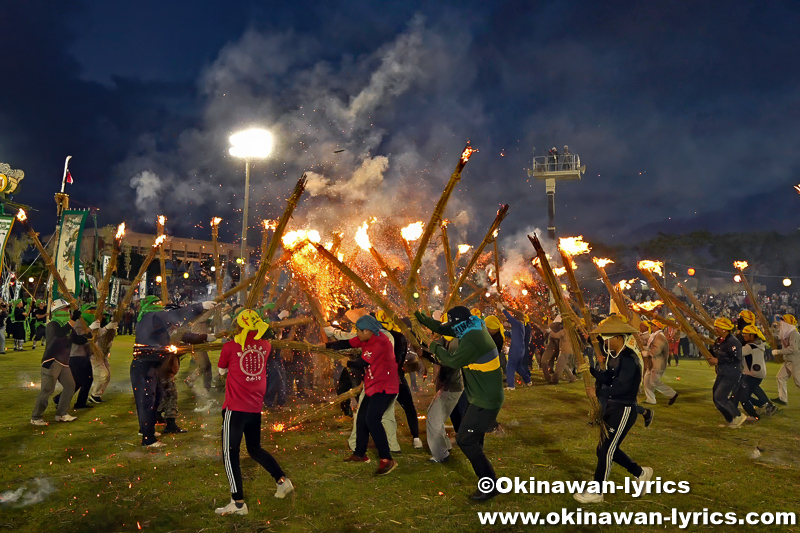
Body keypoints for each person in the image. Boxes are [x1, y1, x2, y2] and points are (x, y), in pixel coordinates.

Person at [416, 306, 504, 501]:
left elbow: (451, 361)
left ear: (461, 324)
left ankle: (490, 484)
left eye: (454, 325)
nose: (452, 330)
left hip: (486, 400)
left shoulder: (473, 339)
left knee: (465, 439)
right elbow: (446, 329)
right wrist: (422, 320)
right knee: (474, 439)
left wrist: (433, 346)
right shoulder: (473, 326)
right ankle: (489, 482)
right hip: (482, 397)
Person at [215, 310, 294, 516]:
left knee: (229, 454)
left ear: (239, 327)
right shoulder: (265, 346)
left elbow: (221, 370)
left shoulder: (230, 347)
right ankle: (282, 481)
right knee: (254, 448)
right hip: (254, 407)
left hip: (235, 408)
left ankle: (238, 503)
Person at [573, 316, 652, 504]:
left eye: (607, 339)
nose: (605, 342)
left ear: (617, 337)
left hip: (624, 409)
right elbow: (608, 377)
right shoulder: (613, 357)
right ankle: (640, 473)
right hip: (613, 406)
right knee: (604, 449)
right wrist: (591, 370)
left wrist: (599, 392)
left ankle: (597, 491)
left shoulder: (630, 359)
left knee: (606, 450)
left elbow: (623, 387)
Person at [131, 296, 216, 447]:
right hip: (145, 365)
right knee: (147, 401)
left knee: (157, 397)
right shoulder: (153, 315)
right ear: (151, 305)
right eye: (157, 303)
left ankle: (146, 428)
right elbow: (175, 315)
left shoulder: (148, 318)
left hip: (151, 364)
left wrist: (206, 337)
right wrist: (200, 305)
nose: (160, 305)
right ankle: (148, 438)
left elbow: (180, 333)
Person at [328, 314, 399, 476]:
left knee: (372, 420)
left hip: (385, 387)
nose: (357, 333)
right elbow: (347, 343)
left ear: (367, 330)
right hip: (373, 386)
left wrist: (348, 363)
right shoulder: (366, 338)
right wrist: (324, 346)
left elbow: (362, 363)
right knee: (362, 418)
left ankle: (387, 459)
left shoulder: (380, 342)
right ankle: (360, 453)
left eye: (359, 331)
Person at [30, 300, 91, 425]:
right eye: (65, 309)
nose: (67, 311)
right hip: (52, 361)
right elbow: (61, 333)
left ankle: (62, 414)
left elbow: (76, 340)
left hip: (64, 362)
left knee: (70, 386)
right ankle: (36, 417)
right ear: (57, 311)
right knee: (47, 390)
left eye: (68, 309)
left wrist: (86, 337)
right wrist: (73, 319)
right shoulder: (52, 325)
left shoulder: (68, 326)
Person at [375, 310, 423, 449]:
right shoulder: (400, 337)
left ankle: (388, 443)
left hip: (384, 379)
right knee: (408, 407)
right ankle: (416, 439)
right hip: (397, 378)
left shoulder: (376, 338)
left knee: (378, 411)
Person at [709, 317, 746, 428]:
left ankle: (738, 415)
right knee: (716, 398)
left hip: (731, 373)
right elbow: (714, 352)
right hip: (722, 372)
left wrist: (718, 360)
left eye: (718, 327)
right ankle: (730, 419)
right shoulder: (719, 340)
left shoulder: (733, 342)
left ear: (725, 329)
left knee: (720, 396)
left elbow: (735, 358)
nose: (715, 329)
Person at [736, 325, 776, 419]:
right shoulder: (759, 343)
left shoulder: (750, 346)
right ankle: (766, 404)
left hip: (751, 374)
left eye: (746, 334)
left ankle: (754, 415)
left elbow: (737, 353)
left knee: (744, 397)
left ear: (752, 335)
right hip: (758, 373)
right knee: (752, 389)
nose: (743, 335)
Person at [641, 321, 678, 405]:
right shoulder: (655, 335)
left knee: (654, 382)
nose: (651, 327)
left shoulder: (660, 337)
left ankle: (672, 394)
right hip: (652, 363)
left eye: (653, 325)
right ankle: (650, 399)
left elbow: (656, 350)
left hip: (658, 364)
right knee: (646, 381)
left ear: (658, 327)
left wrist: (647, 353)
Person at [499, 305, 532, 389]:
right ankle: (528, 380)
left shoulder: (517, 324)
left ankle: (510, 385)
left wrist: (502, 309)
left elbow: (509, 317)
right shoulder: (520, 326)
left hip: (515, 348)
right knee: (518, 367)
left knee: (510, 365)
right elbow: (512, 334)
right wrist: (504, 332)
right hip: (521, 349)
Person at [772, 314, 800, 406]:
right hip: (788, 360)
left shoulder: (794, 333)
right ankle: (782, 399)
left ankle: (782, 398)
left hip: (795, 360)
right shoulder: (787, 332)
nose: (781, 322)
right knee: (780, 377)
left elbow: (793, 348)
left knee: (798, 381)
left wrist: (778, 352)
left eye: (783, 321)